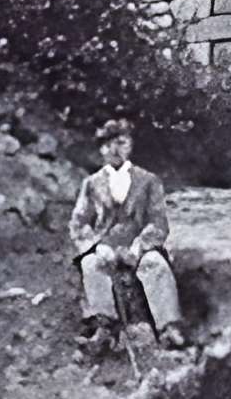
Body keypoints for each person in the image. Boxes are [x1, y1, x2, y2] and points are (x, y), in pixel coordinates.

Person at [68, 119, 186, 357]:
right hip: (105, 248)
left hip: (138, 247)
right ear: (100, 149)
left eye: (121, 143)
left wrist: (139, 246)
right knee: (91, 265)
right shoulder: (91, 184)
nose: (114, 150)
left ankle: (168, 327)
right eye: (107, 145)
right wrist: (97, 247)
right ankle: (105, 327)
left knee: (156, 265)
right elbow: (79, 224)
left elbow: (158, 222)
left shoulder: (148, 181)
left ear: (130, 145)